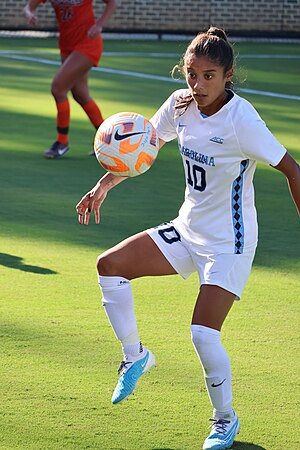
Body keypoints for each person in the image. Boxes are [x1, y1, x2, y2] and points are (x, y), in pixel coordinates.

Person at [75, 27, 300, 450]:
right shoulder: (180, 106)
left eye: (209, 76)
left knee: (202, 334)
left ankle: (224, 419)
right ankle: (135, 356)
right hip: (186, 230)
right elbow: (145, 144)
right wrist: (103, 186)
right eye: (191, 74)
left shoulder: (243, 120)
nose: (198, 85)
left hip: (229, 244)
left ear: (228, 75)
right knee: (110, 266)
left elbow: (292, 169)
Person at [24, 0, 117, 159]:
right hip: (67, 45)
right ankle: (110, 142)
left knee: (58, 88)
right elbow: (29, 5)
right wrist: (29, 13)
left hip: (88, 44)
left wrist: (99, 25)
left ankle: (62, 142)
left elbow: (112, 3)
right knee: (80, 94)